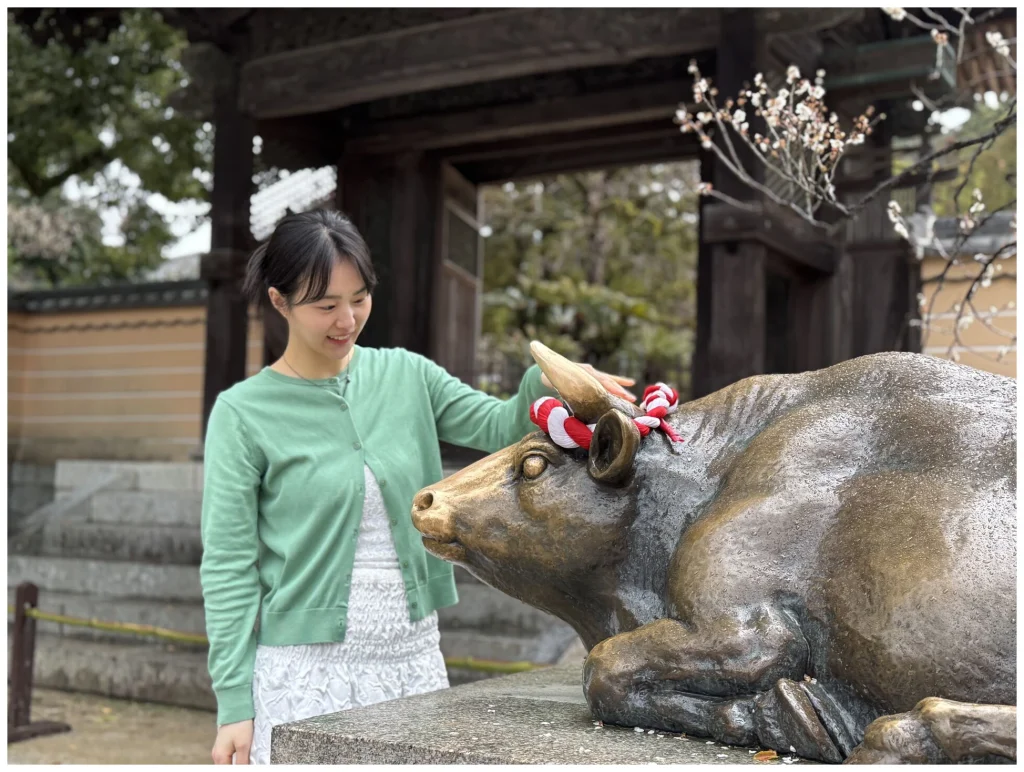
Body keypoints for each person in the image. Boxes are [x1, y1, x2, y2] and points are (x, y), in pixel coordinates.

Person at [201, 209, 635, 764]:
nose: (347, 318)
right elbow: (229, 566)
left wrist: (545, 379)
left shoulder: (408, 376)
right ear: (280, 302)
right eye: (325, 304)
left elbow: (500, 427)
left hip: (412, 657)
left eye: (359, 297)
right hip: (304, 671)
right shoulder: (242, 413)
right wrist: (234, 704)